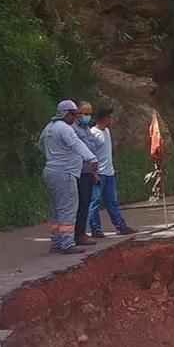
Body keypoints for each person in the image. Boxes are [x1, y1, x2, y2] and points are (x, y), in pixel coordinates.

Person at [38, 100, 98, 254]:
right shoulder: (65, 129)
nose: (76, 117)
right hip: (65, 173)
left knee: (55, 209)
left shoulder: (48, 128)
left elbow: (40, 145)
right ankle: (67, 243)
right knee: (68, 209)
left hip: (50, 171)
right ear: (66, 113)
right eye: (74, 114)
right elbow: (77, 145)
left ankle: (57, 241)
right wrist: (92, 159)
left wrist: (52, 156)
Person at [88, 107, 137, 237]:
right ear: (103, 118)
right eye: (109, 117)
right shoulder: (93, 133)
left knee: (112, 202)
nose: (111, 119)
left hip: (109, 173)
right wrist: (94, 173)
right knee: (95, 202)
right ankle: (95, 229)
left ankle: (121, 226)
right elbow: (89, 155)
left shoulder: (107, 132)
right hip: (99, 174)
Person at [72, 101, 102, 246]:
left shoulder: (87, 129)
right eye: (84, 113)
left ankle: (81, 233)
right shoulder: (73, 129)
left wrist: (95, 173)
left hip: (88, 171)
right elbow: (81, 150)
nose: (87, 116)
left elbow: (93, 149)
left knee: (85, 203)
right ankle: (78, 234)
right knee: (80, 204)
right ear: (77, 113)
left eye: (89, 114)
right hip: (79, 172)